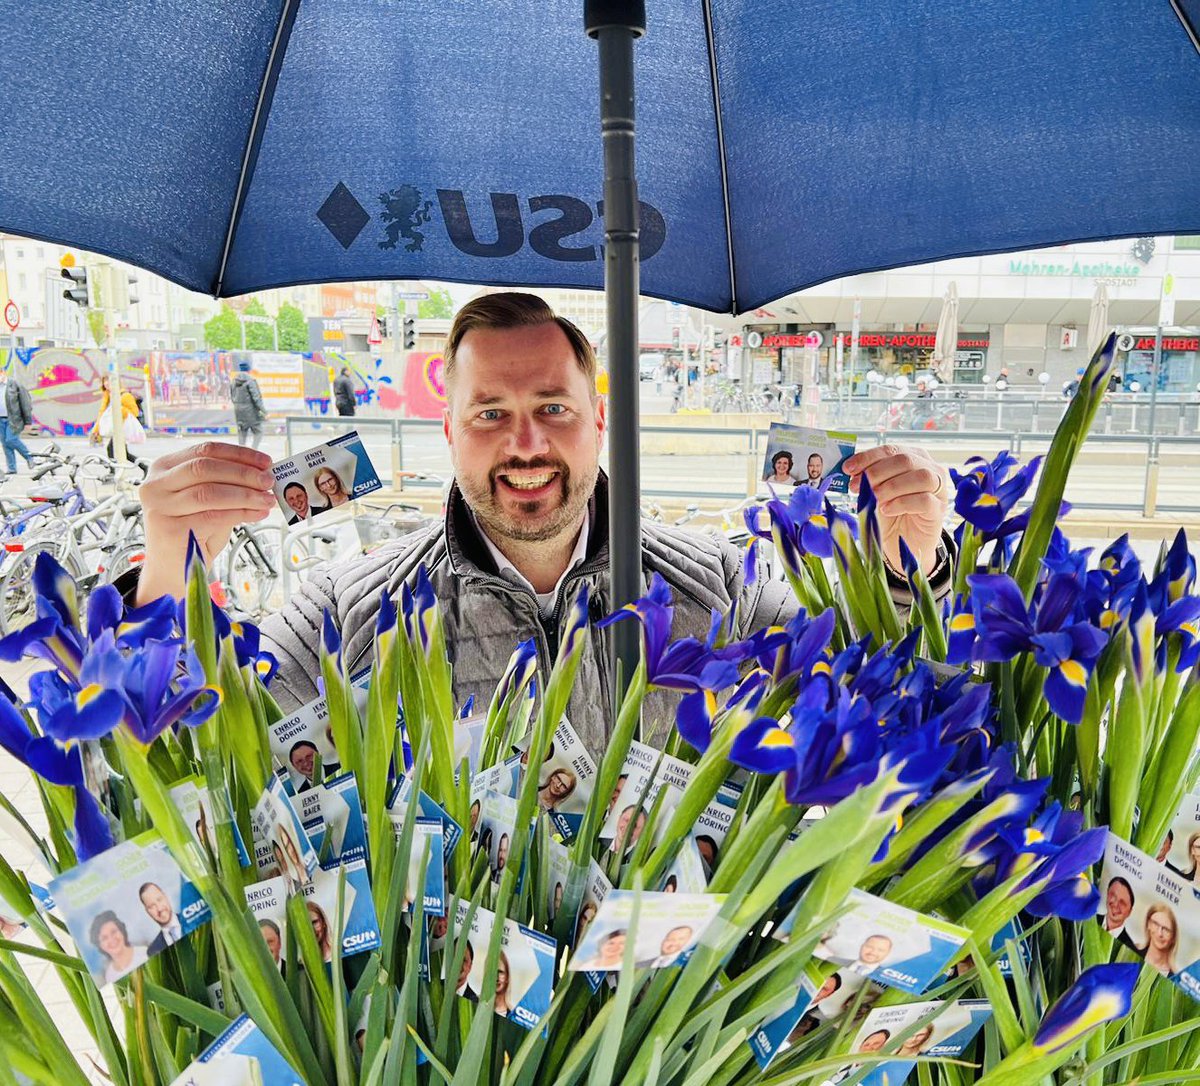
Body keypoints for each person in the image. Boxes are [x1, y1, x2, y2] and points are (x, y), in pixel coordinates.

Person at [131, 293, 953, 758]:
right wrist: (166, 565)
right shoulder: (347, 608)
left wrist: (908, 569)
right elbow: (189, 750)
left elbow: (871, 682)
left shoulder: (721, 585)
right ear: (448, 432)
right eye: (490, 413)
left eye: (552, 408)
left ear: (599, 419)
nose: (526, 444)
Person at [89, 910, 148, 982]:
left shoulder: (144, 953)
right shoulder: (109, 975)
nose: (111, 939)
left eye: (113, 931)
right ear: (100, 946)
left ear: (122, 931)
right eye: (104, 938)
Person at [94, 375, 142, 458]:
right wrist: (96, 429)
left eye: (109, 381)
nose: (107, 383)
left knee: (111, 449)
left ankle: (113, 470)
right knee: (122, 452)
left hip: (121, 426)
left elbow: (135, 412)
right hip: (114, 426)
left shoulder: (124, 395)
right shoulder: (107, 397)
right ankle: (143, 466)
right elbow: (102, 415)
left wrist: (121, 411)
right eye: (105, 381)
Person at [0, 371, 34, 474]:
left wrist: (28, 421)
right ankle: (12, 468)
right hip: (0, 420)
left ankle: (29, 457)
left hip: (14, 419)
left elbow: (25, 403)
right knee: (5, 444)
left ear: (2, 373)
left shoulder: (15, 385)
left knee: (11, 439)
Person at [230, 360, 267, 449]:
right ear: (249, 370)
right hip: (250, 411)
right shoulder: (250, 380)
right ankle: (254, 450)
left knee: (242, 433)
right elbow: (256, 398)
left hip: (238, 411)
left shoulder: (234, 381)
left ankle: (242, 454)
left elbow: (232, 396)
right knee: (259, 431)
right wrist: (264, 411)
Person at [139, 882, 182, 954]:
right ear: (147, 911)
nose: (159, 909)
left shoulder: (195, 918)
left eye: (159, 899)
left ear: (165, 896)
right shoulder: (153, 951)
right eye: (152, 906)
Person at [1100, 877, 1140, 952]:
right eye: (1113, 895)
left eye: (1122, 902)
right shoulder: (1090, 916)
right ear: (1107, 893)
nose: (1115, 904)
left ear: (1129, 911)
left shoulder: (1130, 947)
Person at [1141, 903, 1179, 976]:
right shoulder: (1131, 950)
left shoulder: (1174, 979)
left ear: (1173, 937)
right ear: (1148, 924)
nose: (1159, 933)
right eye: (1155, 924)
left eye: (1166, 929)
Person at [493, 950, 513, 1015]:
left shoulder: (512, 1015)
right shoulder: (473, 1000)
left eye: (501, 972)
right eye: (493, 971)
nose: (496, 978)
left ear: (507, 977)